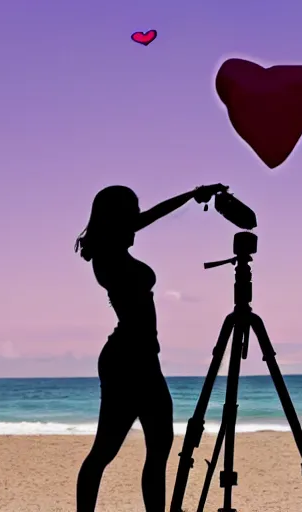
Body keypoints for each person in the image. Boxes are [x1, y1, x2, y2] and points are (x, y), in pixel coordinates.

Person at [74, 183, 228, 512]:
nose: (136, 220)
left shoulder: (115, 252)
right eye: (130, 213)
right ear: (116, 218)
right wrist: (189, 196)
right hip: (126, 359)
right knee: (105, 450)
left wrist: (190, 196)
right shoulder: (105, 253)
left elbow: (146, 218)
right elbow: (149, 218)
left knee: (160, 447)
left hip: (145, 358)